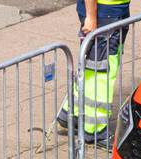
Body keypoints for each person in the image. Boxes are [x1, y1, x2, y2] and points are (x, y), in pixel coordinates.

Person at [56, 0, 131, 145]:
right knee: (102, 71)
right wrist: (91, 17)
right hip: (105, 12)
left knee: (92, 65)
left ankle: (72, 114)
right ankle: (95, 130)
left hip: (107, 11)